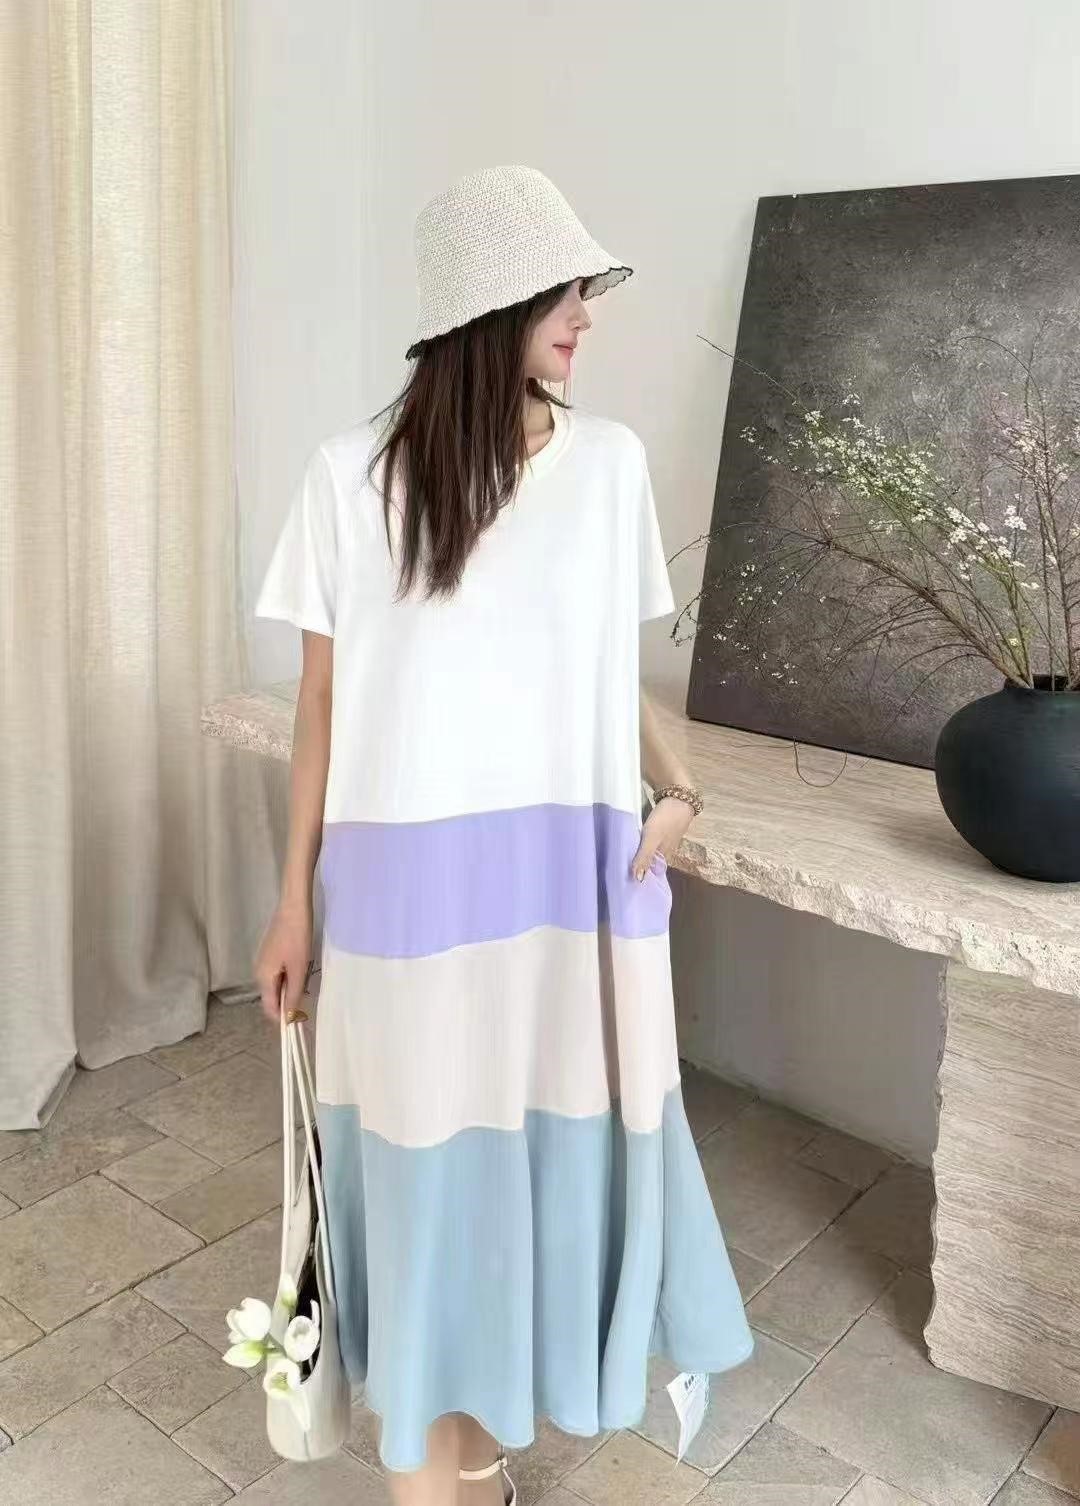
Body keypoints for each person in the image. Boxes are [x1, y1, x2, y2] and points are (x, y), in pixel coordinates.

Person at [253, 164, 752, 1506]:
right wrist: (293, 903)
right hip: (403, 898)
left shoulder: (609, 467)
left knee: (527, 1167)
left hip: (558, 886)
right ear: (489, 307)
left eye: (585, 288)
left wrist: (683, 787)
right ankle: (436, 1473)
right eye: (560, 292)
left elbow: (606, 673)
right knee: (424, 1176)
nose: (587, 314)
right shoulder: (348, 478)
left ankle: (471, 1453)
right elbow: (320, 704)